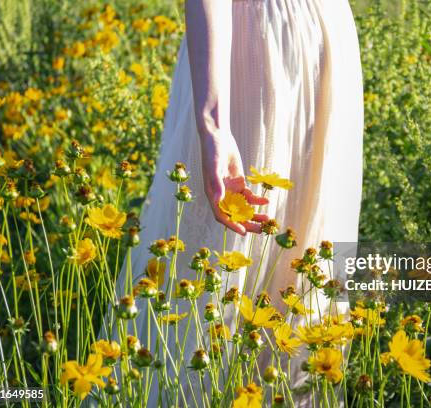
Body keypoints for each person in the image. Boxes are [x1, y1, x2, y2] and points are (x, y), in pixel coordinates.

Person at [110, 0, 363, 405]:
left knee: (304, 270)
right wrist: (214, 127)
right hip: (254, 54)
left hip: (320, 41)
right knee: (217, 266)